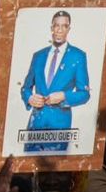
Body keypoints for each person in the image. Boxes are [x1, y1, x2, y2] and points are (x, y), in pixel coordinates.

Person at [20, 11, 90, 153]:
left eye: (64, 26)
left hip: (59, 126)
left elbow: (84, 94)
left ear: (68, 29)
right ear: (51, 28)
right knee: (27, 169)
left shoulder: (78, 56)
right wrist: (30, 98)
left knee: (54, 172)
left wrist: (64, 96)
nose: (59, 30)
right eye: (56, 26)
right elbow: (26, 88)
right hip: (36, 124)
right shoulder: (38, 56)